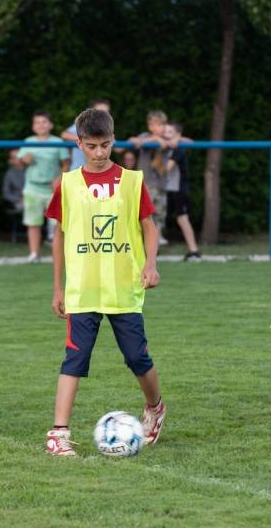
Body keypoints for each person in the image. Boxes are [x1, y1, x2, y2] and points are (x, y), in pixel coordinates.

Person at [44, 107, 166, 456]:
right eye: (92, 146)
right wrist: (58, 287)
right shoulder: (68, 184)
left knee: (137, 358)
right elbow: (59, 237)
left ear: (113, 141)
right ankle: (58, 433)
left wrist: (151, 265)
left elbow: (148, 227)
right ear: (79, 144)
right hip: (82, 290)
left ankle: (155, 407)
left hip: (124, 289)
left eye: (106, 145)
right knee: (75, 358)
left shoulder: (132, 181)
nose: (99, 153)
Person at [17, 110, 70, 262]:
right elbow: (19, 163)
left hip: (52, 188)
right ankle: (34, 254)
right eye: (37, 122)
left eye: (44, 122)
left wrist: (60, 178)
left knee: (58, 224)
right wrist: (24, 160)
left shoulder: (58, 142)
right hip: (32, 188)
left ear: (50, 125)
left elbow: (66, 162)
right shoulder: (28, 141)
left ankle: (58, 254)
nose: (41, 125)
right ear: (33, 126)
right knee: (33, 223)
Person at [128, 110, 170, 246]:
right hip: (146, 184)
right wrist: (155, 139)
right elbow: (133, 141)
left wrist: (161, 140)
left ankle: (155, 245)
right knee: (144, 216)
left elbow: (176, 141)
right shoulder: (145, 136)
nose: (161, 128)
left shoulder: (167, 139)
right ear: (150, 126)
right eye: (157, 124)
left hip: (161, 184)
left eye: (163, 125)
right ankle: (140, 243)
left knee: (159, 216)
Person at [164, 121, 201, 261]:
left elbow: (166, 168)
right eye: (165, 132)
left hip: (178, 189)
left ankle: (194, 251)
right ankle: (151, 250)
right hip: (167, 187)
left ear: (177, 135)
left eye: (170, 132)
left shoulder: (178, 149)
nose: (166, 135)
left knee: (182, 218)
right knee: (155, 217)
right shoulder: (163, 145)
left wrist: (177, 139)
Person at [61, 98, 111, 171]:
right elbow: (64, 134)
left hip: (97, 173)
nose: (103, 115)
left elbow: (118, 148)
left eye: (106, 112)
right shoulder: (83, 124)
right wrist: (87, 138)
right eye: (99, 112)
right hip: (77, 171)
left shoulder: (108, 129)